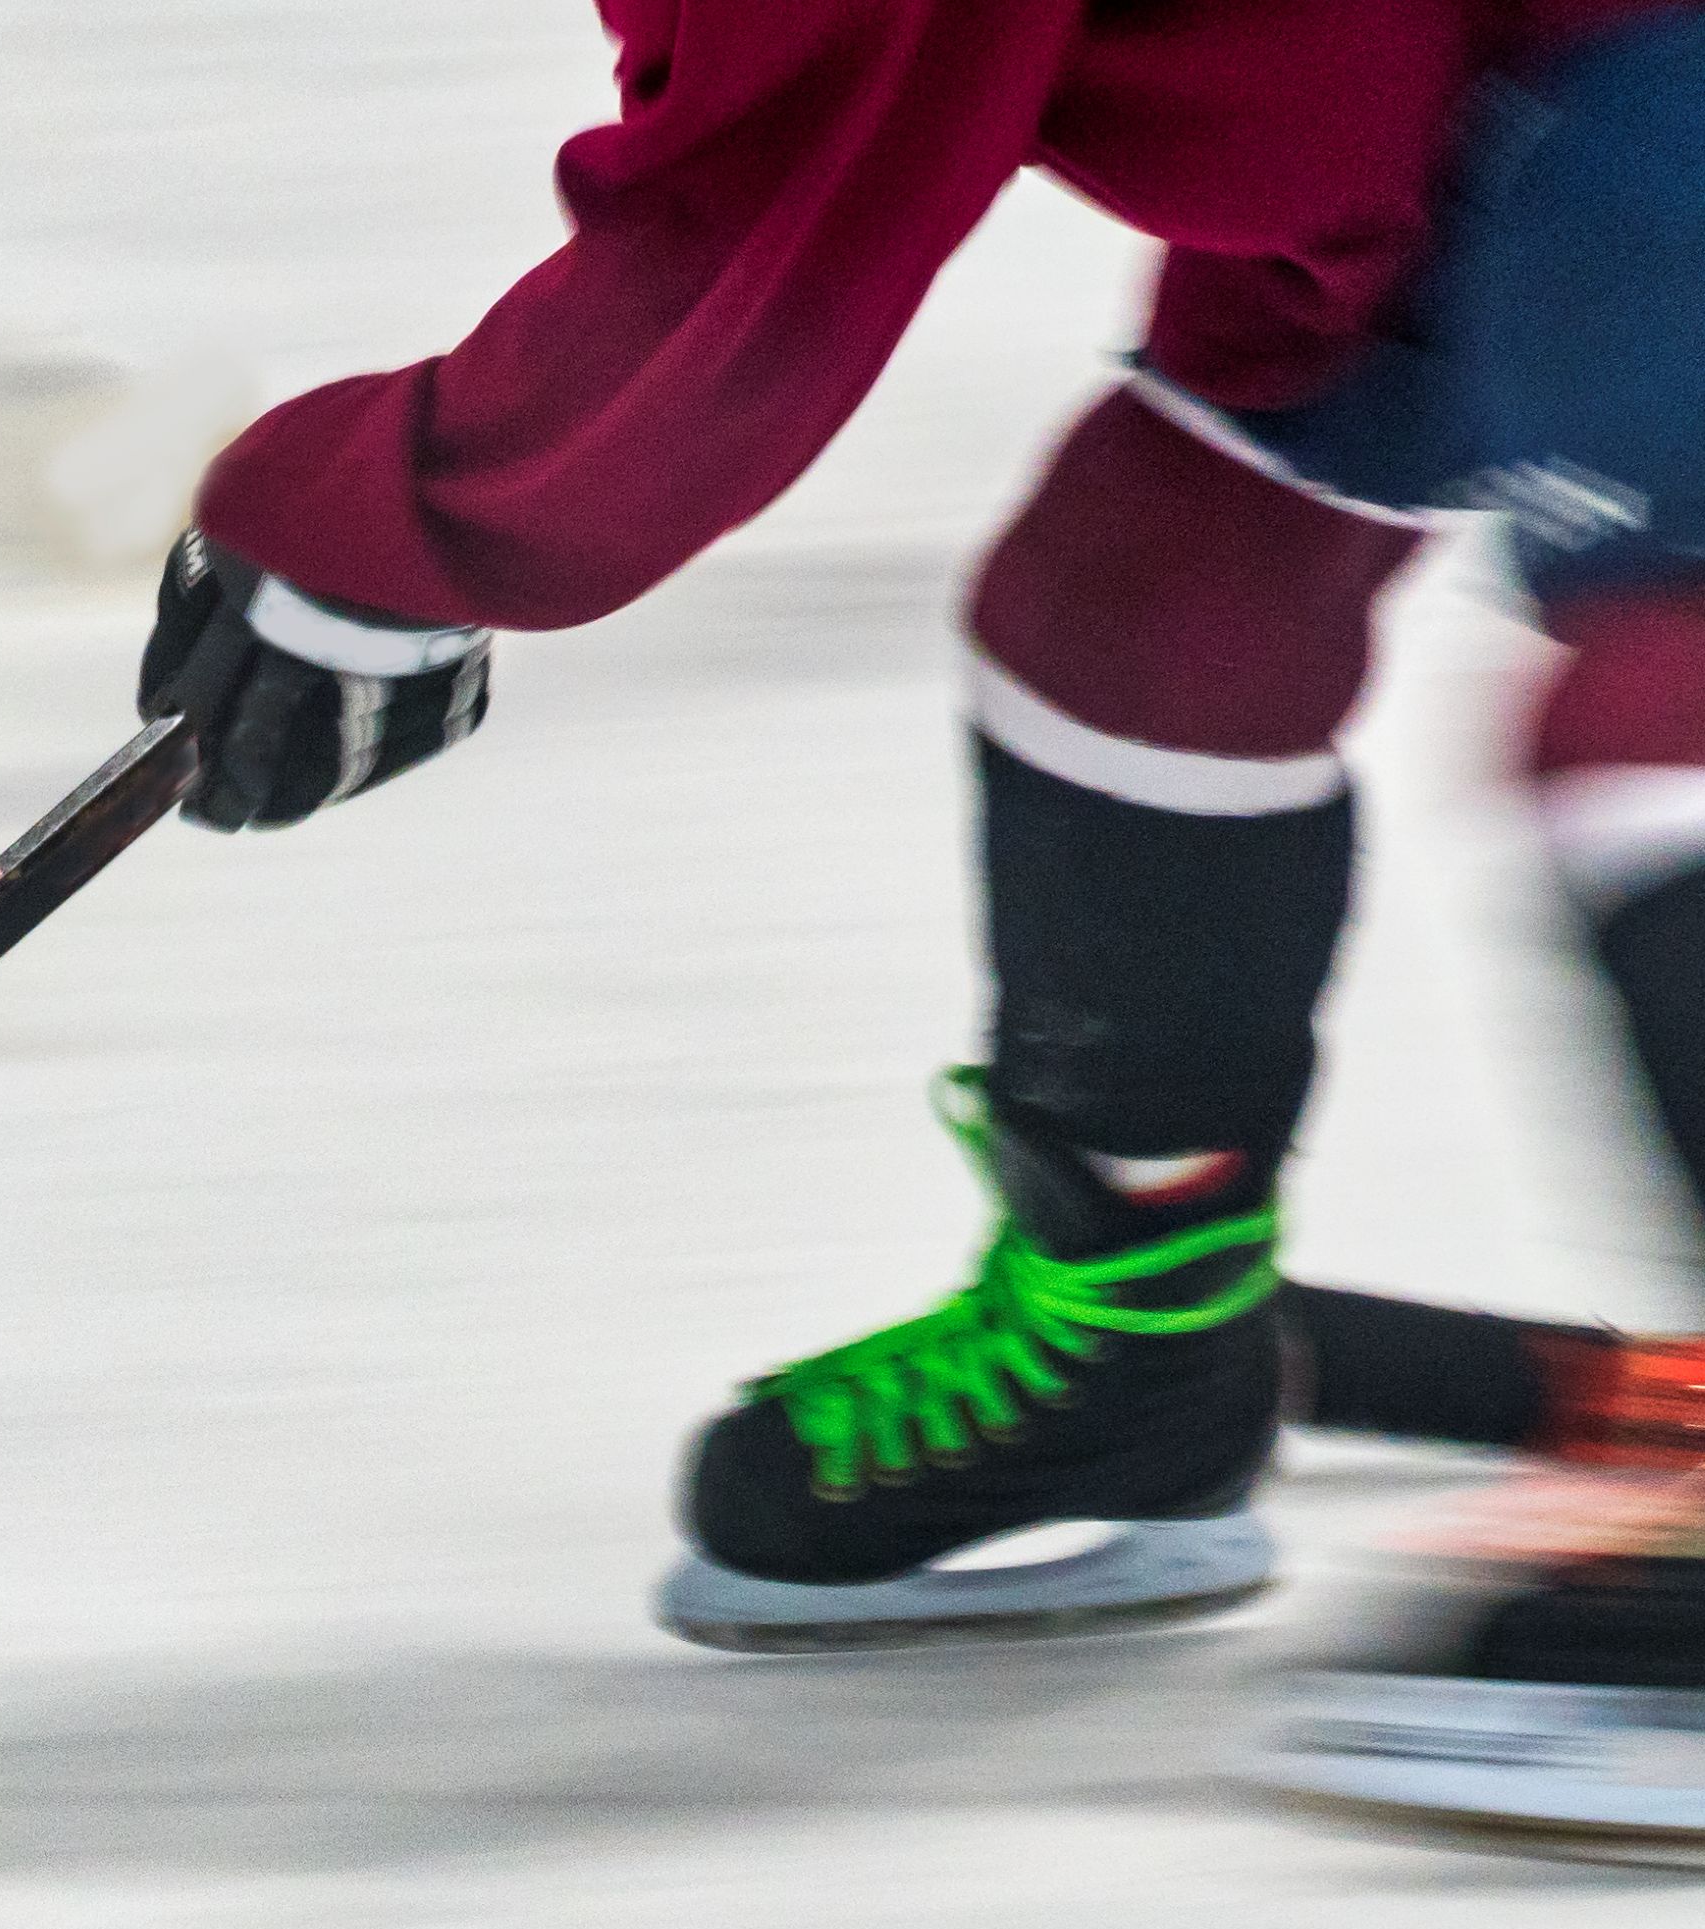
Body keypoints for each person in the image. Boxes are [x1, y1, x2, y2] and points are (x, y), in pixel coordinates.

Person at [139, 0, 1705, 1660]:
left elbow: (753, 279)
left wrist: (376, 540)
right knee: (1147, 597)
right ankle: (1134, 1337)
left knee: (1657, 695)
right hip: (1483, 94)